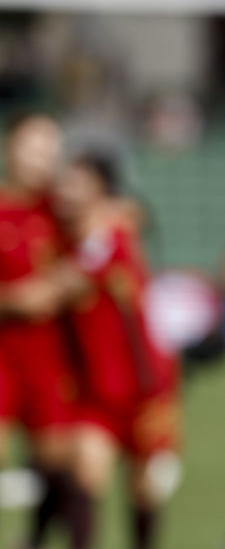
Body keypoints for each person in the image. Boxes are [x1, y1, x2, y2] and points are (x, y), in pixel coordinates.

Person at [54, 150, 181, 549]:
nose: (65, 190)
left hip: (146, 387)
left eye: (77, 182)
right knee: (86, 472)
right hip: (98, 390)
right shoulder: (68, 236)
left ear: (100, 191)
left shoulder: (111, 238)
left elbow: (60, 286)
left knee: (144, 490)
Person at [0, 111, 91, 549]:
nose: (43, 159)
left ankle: (34, 540)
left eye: (51, 150)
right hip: (4, 350)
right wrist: (16, 299)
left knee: (57, 463)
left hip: (50, 354)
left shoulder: (63, 210)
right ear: (11, 149)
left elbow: (120, 224)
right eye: (34, 148)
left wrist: (62, 283)